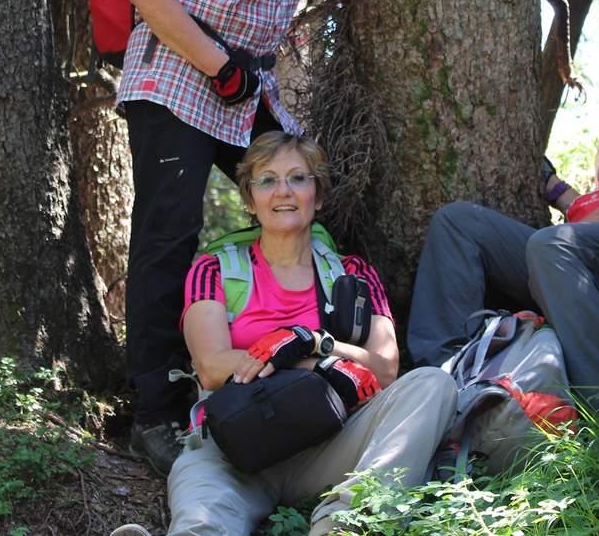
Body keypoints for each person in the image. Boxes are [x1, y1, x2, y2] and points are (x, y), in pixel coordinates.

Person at [115, 0, 435, 473]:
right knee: (168, 235)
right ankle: (156, 411)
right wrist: (218, 64)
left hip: (243, 88)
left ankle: (322, 362)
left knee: (302, 198)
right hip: (178, 82)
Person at [112, 132, 457, 536]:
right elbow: (211, 367)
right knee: (201, 518)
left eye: (298, 178)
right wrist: (306, 360)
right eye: (267, 180)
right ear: (250, 199)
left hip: (330, 439)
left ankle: (344, 525)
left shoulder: (352, 274)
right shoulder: (214, 269)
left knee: (432, 384)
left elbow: (385, 369)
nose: (283, 191)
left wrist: (315, 343)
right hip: (231, 446)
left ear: (318, 195)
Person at [406, 0, 599, 413]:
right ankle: (442, 384)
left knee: (552, 246)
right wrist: (558, 192)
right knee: (458, 224)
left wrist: (573, 233)